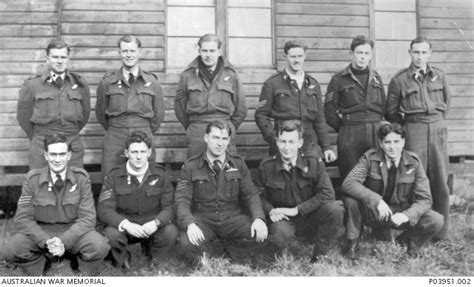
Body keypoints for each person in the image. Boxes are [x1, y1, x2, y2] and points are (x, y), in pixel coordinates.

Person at [3, 134, 110, 275]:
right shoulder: (32, 179)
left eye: (62, 154)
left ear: (69, 155)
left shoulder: (81, 178)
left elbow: (88, 218)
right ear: (46, 156)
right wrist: (46, 241)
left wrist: (64, 241)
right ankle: (40, 263)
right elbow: (22, 218)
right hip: (42, 230)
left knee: (99, 245)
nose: (58, 159)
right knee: (11, 249)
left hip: (73, 230)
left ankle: (78, 263)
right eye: (53, 154)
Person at [341, 122, 443, 259]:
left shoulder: (413, 162)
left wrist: (407, 214)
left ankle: (408, 242)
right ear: (381, 143)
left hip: (399, 212)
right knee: (350, 200)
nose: (392, 147)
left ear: (403, 142)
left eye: (396, 141)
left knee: (435, 219)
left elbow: (425, 199)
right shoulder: (370, 158)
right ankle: (352, 244)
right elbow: (349, 183)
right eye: (387, 142)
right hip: (373, 212)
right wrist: (377, 201)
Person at [174, 120, 267, 265]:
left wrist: (258, 218)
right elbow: (182, 200)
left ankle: (230, 254)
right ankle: (217, 255)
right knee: (185, 243)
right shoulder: (191, 166)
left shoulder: (238, 163)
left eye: (224, 139)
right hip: (204, 219)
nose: (220, 143)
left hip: (232, 217)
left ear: (229, 140)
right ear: (206, 138)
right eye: (215, 137)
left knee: (258, 234)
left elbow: (251, 194)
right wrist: (190, 224)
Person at [386, 37, 450, 240]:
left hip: (437, 129)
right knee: (415, 179)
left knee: (440, 180)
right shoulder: (399, 80)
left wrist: (435, 122)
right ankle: (415, 228)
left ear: (429, 53)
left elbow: (447, 103)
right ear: (410, 53)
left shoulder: (439, 75)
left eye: (424, 52)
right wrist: (409, 128)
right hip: (414, 130)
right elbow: (392, 112)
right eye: (416, 52)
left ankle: (441, 232)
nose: (420, 57)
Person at [254, 120, 344, 262]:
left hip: (309, 216)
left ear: (300, 143)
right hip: (283, 219)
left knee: (336, 209)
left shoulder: (313, 162)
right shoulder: (266, 166)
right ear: (276, 142)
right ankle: (280, 257)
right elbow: (257, 195)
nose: (286, 147)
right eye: (283, 141)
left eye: (291, 142)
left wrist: (297, 209)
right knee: (280, 234)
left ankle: (320, 255)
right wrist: (271, 210)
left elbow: (327, 193)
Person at [97, 131, 178, 269]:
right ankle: (122, 259)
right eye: (134, 152)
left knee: (170, 231)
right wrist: (126, 224)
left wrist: (156, 222)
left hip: (151, 224)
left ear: (149, 153)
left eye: (142, 151)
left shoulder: (161, 175)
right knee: (110, 234)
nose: (139, 156)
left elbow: (170, 206)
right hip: (127, 224)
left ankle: (156, 259)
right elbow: (104, 209)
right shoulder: (114, 176)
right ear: (126, 153)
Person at [96, 34, 165, 178]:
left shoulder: (152, 82)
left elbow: (158, 115)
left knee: (146, 178)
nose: (129, 55)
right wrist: (117, 127)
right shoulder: (107, 82)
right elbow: (101, 114)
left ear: (139, 52)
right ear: (119, 53)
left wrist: (143, 129)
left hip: (144, 133)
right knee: (111, 176)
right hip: (115, 135)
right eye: (125, 51)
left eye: (132, 51)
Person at [255, 41, 336, 162]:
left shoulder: (312, 83)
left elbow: (320, 119)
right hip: (284, 140)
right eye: (293, 56)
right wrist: (274, 139)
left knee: (312, 175)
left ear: (305, 57)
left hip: (310, 143)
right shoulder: (272, 83)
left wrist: (326, 147)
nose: (297, 60)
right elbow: (261, 115)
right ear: (285, 57)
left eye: (300, 56)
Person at [17, 39, 91, 169]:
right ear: (47, 59)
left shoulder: (80, 85)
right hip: (42, 145)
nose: (59, 61)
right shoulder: (32, 85)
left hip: (71, 144)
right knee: (40, 184)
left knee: (73, 183)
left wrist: (69, 132)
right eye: (55, 57)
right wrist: (38, 138)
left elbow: (85, 115)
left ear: (68, 59)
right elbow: (23, 117)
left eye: (63, 57)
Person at [174, 34, 247, 158]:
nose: (208, 55)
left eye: (212, 51)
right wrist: (193, 126)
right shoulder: (187, 76)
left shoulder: (230, 75)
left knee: (226, 171)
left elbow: (241, 108)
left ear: (219, 52)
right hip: (197, 131)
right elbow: (179, 107)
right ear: (199, 51)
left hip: (223, 130)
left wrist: (229, 127)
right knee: (196, 170)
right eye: (204, 51)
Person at [324, 35, 386, 180]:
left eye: (366, 53)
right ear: (352, 54)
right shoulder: (338, 79)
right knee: (350, 176)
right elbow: (329, 112)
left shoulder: (376, 78)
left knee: (376, 176)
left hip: (375, 132)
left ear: (370, 55)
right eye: (359, 53)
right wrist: (346, 128)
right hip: (350, 133)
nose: (362, 57)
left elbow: (384, 107)